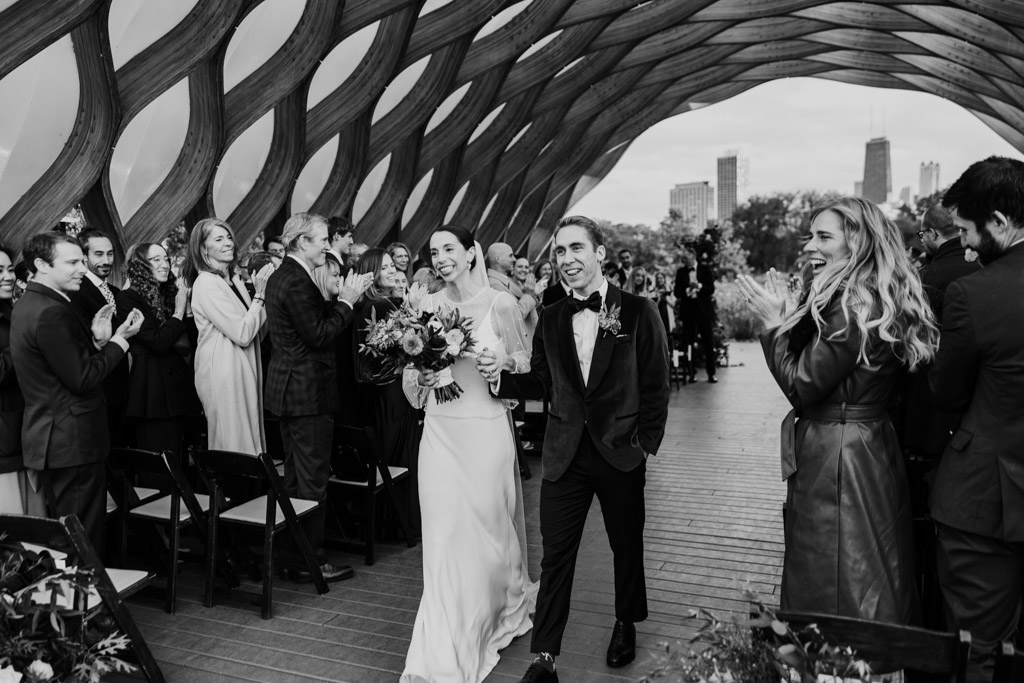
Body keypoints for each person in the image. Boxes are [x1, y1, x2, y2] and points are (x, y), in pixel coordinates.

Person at [483, 215, 670, 682]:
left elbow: (655, 381)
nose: (567, 260)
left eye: (575, 249)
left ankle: (625, 621)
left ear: (600, 252)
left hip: (620, 450)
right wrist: (500, 377)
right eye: (560, 252)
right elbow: (544, 380)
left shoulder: (638, 311)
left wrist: (645, 443)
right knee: (555, 555)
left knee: (625, 546)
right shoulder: (550, 315)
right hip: (564, 453)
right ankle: (545, 656)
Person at [736, 196, 938, 628]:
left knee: (835, 574)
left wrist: (772, 326)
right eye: (810, 235)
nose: (811, 245)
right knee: (871, 565)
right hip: (866, 444)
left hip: (838, 455)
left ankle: (835, 662)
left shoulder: (849, 306)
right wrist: (793, 317)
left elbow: (802, 386)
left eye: (824, 236)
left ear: (858, 242)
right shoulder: (867, 295)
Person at [401, 225, 536, 683]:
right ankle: (445, 646)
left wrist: (501, 367)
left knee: (488, 531)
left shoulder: (501, 305)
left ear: (472, 253)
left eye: (448, 249)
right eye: (433, 251)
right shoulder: (426, 308)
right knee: (443, 537)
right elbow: (409, 378)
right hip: (439, 434)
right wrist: (421, 378)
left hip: (485, 434)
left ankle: (505, 603)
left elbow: (526, 366)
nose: (440, 258)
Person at [927, 156, 1024, 681]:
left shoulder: (974, 294)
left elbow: (946, 393)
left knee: (978, 649)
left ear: (1000, 222)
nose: (964, 245)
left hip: (986, 504)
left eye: (967, 229)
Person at [11, 232, 143, 548]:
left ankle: (76, 593)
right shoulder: (51, 311)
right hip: (73, 441)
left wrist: (98, 343)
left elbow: (60, 367)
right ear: (41, 264)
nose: (82, 269)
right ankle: (86, 596)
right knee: (81, 539)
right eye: (72, 262)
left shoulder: (29, 303)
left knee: (67, 533)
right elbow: (82, 378)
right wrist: (119, 342)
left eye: (82, 261)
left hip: (52, 438)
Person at [265, 212, 369, 583]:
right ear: (301, 242)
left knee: (296, 478)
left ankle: (294, 553)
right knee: (311, 481)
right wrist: (347, 303)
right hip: (306, 394)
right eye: (323, 240)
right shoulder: (294, 281)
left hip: (292, 392)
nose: (328, 245)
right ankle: (312, 559)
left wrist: (333, 300)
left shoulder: (290, 277)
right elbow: (318, 336)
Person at [186, 218, 274, 455]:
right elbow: (242, 334)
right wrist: (260, 296)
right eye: (218, 239)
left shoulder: (232, 281)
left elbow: (257, 330)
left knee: (249, 436)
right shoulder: (206, 283)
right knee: (233, 440)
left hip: (243, 366)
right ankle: (233, 490)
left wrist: (263, 294)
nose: (228, 243)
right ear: (203, 249)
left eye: (228, 237)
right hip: (223, 370)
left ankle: (250, 487)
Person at [352, 249, 421, 532]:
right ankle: (400, 521)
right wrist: (413, 312)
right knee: (400, 454)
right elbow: (407, 345)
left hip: (375, 394)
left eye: (393, 266)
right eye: (385, 268)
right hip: (391, 390)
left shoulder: (370, 305)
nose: (393, 271)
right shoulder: (382, 307)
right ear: (371, 274)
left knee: (386, 453)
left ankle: (386, 520)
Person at [115, 243, 201, 462]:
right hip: (152, 389)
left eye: (166, 259)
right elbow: (157, 342)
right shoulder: (127, 298)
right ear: (141, 266)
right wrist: (179, 312)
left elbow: (194, 340)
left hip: (178, 387)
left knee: (182, 460)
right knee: (160, 462)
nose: (165, 264)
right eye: (156, 260)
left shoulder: (169, 293)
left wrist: (187, 311)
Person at [69, 228, 130, 446]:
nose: (106, 260)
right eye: (99, 254)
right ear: (83, 257)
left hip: (120, 385)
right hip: (98, 385)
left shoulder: (114, 291)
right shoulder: (76, 291)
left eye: (110, 254)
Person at [0, 243, 44, 515]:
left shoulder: (12, 311)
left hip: (23, 430)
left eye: (8, 269)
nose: (7, 276)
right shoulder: (16, 320)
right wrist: (22, 338)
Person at [674, 247, 718, 382]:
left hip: (704, 311)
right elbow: (677, 292)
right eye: (683, 258)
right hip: (689, 312)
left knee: (708, 342)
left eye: (686, 257)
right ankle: (692, 373)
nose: (684, 260)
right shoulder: (680, 272)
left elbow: (710, 289)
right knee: (690, 344)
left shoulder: (705, 269)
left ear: (693, 257)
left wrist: (698, 286)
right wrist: (688, 290)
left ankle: (711, 373)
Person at [653, 271, 675, 338]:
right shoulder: (653, 290)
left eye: (661, 278)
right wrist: (658, 297)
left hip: (667, 314)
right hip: (658, 314)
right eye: (657, 278)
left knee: (668, 334)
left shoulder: (669, 290)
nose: (659, 280)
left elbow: (673, 304)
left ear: (664, 279)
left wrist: (665, 297)